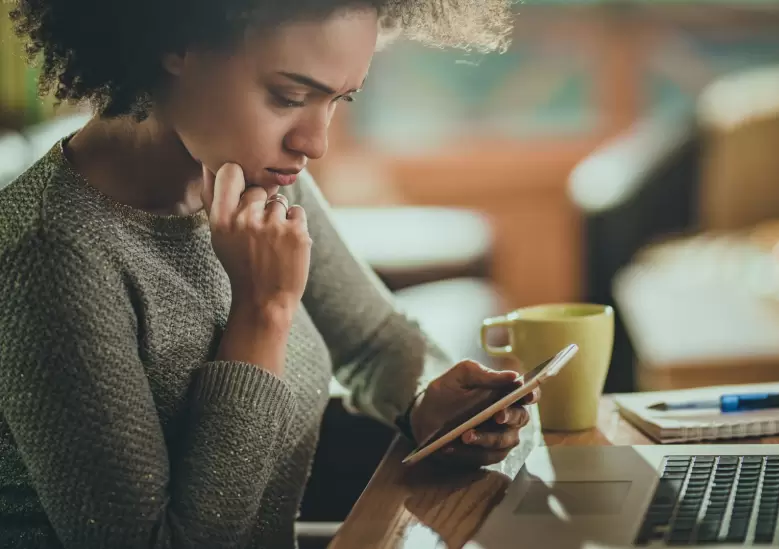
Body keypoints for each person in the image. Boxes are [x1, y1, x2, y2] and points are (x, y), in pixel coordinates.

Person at [0, 1, 533, 547]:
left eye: (338, 99)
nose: (315, 143)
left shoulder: (258, 174)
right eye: (290, 97)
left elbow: (372, 341)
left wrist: (426, 402)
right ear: (175, 42)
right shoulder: (50, 255)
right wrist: (261, 314)